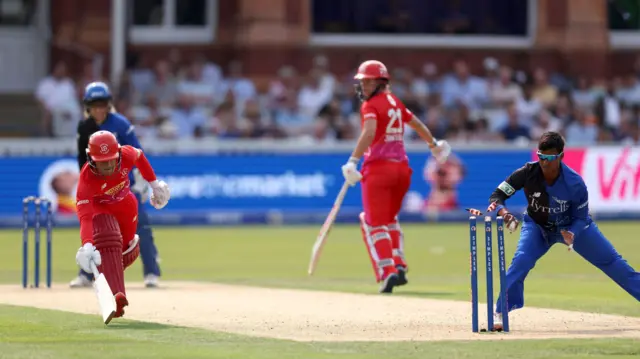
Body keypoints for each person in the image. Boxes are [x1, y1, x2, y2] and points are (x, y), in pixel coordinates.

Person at [483, 131, 640, 330]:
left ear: (561, 157)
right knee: (521, 260)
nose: (544, 163)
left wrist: (573, 232)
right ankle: (500, 312)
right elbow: (496, 196)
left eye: (550, 158)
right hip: (538, 228)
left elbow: (582, 218)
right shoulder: (527, 172)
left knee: (612, 262)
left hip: (571, 228)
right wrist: (504, 213)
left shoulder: (575, 183)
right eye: (541, 156)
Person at [341, 60, 451, 293]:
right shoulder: (395, 102)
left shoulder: (371, 105)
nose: (363, 86)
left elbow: (369, 132)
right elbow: (418, 124)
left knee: (372, 222)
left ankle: (387, 271)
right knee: (389, 218)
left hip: (379, 170)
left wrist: (353, 161)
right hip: (402, 170)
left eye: (366, 81)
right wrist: (433, 144)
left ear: (379, 82)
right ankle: (399, 263)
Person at [70, 81, 164, 288]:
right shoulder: (84, 127)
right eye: (94, 105)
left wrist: (143, 183)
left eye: (102, 104)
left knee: (141, 225)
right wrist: (87, 186)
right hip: (97, 186)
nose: (99, 109)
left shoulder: (120, 124)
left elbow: (136, 152)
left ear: (108, 104)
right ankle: (87, 274)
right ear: (87, 106)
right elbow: (81, 160)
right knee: (93, 227)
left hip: (124, 185)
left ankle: (151, 272)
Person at [74, 131, 170, 319]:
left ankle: (107, 280)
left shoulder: (126, 153)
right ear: (91, 159)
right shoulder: (86, 179)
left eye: (111, 159)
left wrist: (154, 184)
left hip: (126, 205)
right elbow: (85, 217)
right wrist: (87, 244)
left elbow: (140, 156)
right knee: (109, 244)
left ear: (117, 153)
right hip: (101, 210)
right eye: (102, 162)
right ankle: (117, 295)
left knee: (127, 249)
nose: (109, 166)